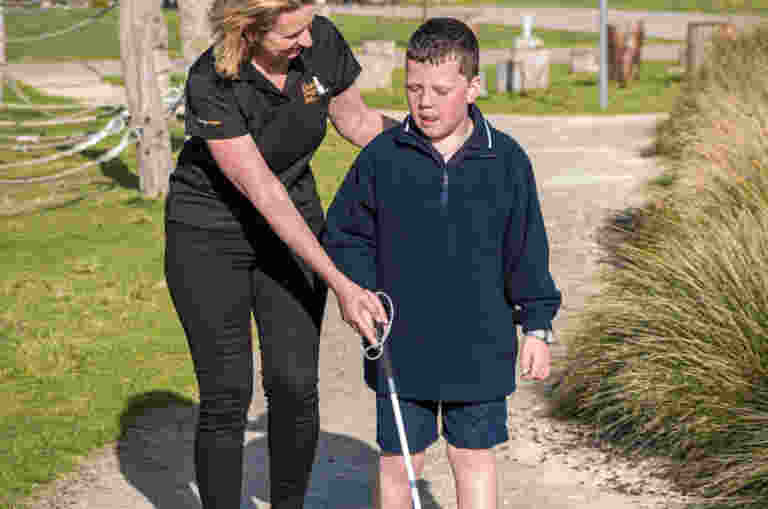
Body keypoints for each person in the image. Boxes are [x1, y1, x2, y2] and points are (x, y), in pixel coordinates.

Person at [163, 0, 397, 507]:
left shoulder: (322, 41)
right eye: (293, 34)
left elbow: (356, 121)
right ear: (248, 30)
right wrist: (342, 284)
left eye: (309, 26)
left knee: (294, 386)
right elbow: (266, 195)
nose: (308, 41)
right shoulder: (212, 81)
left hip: (292, 222)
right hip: (209, 233)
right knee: (227, 394)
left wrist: (427, 139)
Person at [323, 18, 562, 509]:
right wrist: (360, 292)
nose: (425, 102)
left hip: (479, 346)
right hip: (399, 346)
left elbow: (527, 249)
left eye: (440, 90)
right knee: (398, 463)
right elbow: (346, 234)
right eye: (413, 88)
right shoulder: (382, 157)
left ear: (473, 88)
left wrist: (537, 328)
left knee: (472, 458)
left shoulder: (507, 161)